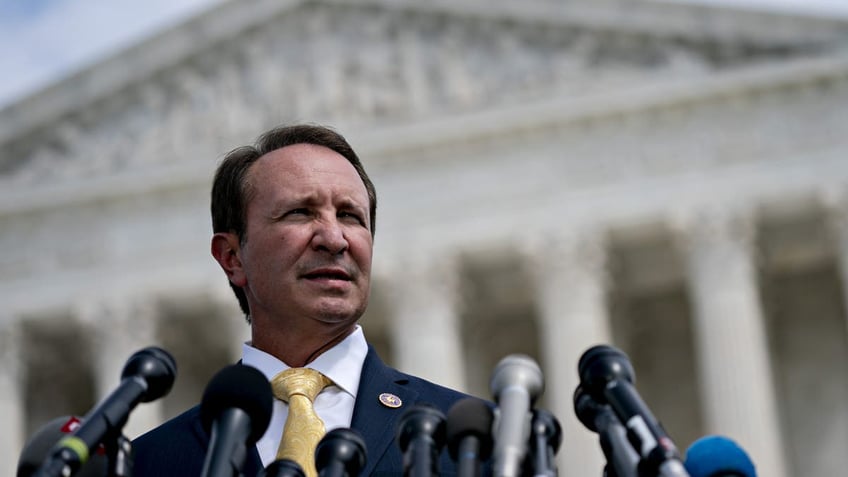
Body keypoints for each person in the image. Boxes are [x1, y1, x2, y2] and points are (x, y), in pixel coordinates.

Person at [132, 124, 475, 476]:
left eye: (349, 216)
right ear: (232, 257)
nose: (334, 238)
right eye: (300, 212)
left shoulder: (479, 443)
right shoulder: (147, 464)